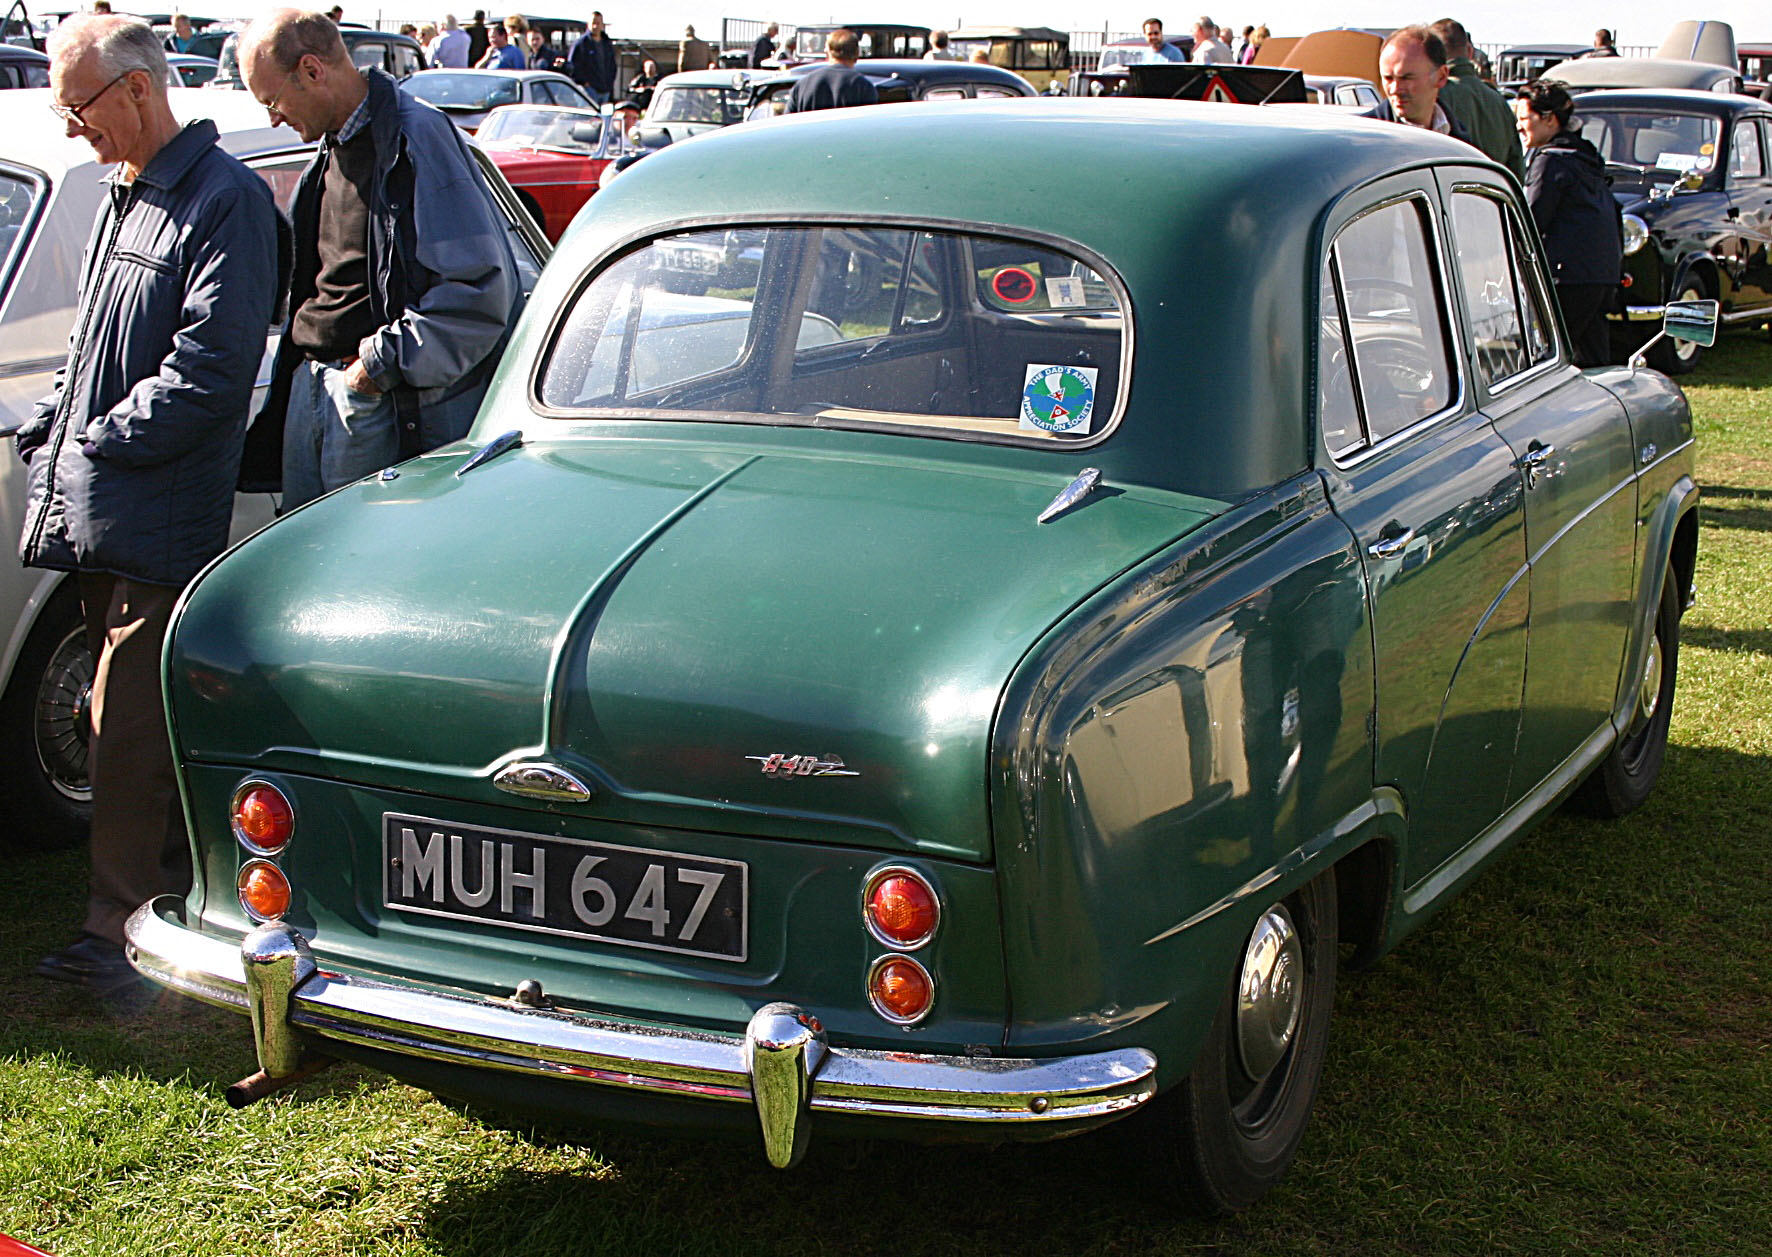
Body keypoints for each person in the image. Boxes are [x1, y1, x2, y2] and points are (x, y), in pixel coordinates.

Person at [22, 14, 282, 995]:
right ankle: (155, 898)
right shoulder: (125, 194)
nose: (72, 126)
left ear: (136, 90)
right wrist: (58, 422)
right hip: (106, 502)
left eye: (77, 105)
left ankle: (117, 933)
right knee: (112, 720)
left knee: (126, 729)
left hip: (154, 510)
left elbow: (212, 372)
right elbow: (94, 346)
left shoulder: (227, 201)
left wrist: (99, 441)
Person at [236, 9, 524, 508]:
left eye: (273, 101)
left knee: (356, 570)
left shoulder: (417, 140)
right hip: (322, 389)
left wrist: (374, 366)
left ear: (311, 70)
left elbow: (477, 293)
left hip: (373, 401)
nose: (273, 119)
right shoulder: (331, 148)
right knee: (313, 564)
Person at [1516, 79, 1622, 365]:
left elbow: (1531, 220)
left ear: (1549, 120)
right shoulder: (1586, 157)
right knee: (1594, 356)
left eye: (1525, 118)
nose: (1519, 126)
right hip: (1601, 273)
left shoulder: (1550, 161)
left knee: (1550, 358)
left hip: (1567, 276)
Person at [1431, 17, 1524, 178]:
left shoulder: (1433, 96)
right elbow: (1516, 169)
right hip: (1490, 197)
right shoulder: (1498, 101)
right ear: (1469, 51)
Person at [1371, 25, 1475, 146]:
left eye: (1406, 78)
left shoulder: (1461, 144)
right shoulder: (1366, 141)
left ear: (1441, 76)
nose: (1395, 89)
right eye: (1388, 78)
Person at [785, 27, 876, 112]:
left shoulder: (803, 85)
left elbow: (788, 123)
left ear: (827, 53)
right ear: (857, 54)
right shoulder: (864, 87)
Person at [567, 10, 615, 103]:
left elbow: (612, 65)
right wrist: (584, 83)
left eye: (598, 23)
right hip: (589, 91)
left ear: (602, 25)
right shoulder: (580, 44)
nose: (595, 26)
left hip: (605, 91)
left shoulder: (607, 44)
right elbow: (571, 66)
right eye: (593, 23)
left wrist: (610, 83)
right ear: (588, 24)